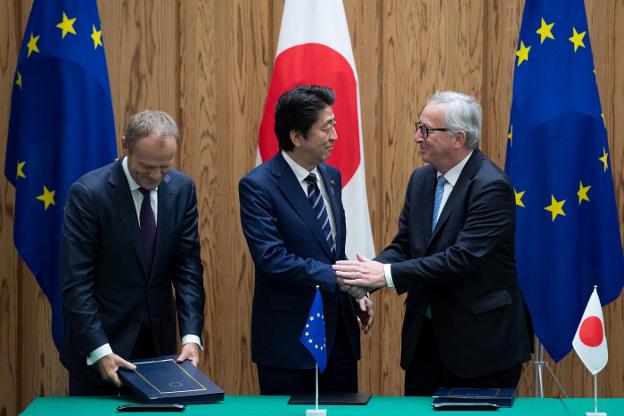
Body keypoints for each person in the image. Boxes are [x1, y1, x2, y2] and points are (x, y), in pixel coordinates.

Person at [334, 91, 531, 396]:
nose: (417, 137)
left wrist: (385, 276)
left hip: (480, 349)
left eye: (426, 130)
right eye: (418, 126)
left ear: (458, 138)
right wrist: (365, 277)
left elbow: (460, 259)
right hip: (425, 344)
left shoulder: (491, 187)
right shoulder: (422, 180)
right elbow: (404, 246)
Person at [239, 85, 374, 395]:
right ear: (297, 137)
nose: (336, 136)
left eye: (335, 125)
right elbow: (272, 258)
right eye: (327, 128)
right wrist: (344, 279)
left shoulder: (331, 177)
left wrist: (354, 294)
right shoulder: (258, 186)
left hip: (338, 335)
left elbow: (330, 250)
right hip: (289, 340)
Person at [61, 110, 205, 395]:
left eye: (164, 167)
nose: (155, 176)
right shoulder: (89, 194)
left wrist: (191, 336)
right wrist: (100, 350)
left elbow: (188, 269)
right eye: (147, 166)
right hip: (103, 347)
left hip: (160, 351)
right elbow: (77, 283)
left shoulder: (182, 189)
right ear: (125, 144)